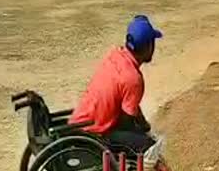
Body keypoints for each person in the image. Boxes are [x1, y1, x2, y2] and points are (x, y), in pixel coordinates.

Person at [69, 15, 162, 154]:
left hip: (81, 122)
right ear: (149, 47)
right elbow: (126, 123)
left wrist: (144, 124)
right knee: (149, 147)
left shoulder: (115, 55)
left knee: (137, 134)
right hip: (96, 134)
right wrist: (143, 133)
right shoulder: (133, 79)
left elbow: (131, 105)